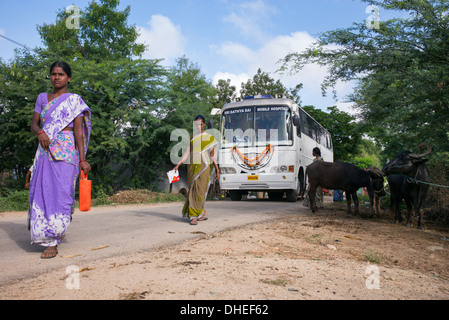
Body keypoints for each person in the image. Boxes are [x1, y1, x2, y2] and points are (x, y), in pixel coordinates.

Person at [27, 61, 92, 259]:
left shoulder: (74, 101)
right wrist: (40, 133)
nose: (56, 77)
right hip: (45, 150)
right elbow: (34, 125)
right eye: (53, 74)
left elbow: (79, 132)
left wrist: (82, 159)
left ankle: (55, 236)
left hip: (66, 151)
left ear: (68, 78)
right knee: (44, 192)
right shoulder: (41, 98)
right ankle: (47, 238)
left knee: (62, 194)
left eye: (61, 74)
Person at [173, 115, 219, 225]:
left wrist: (217, 168)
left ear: (204, 124)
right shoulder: (191, 137)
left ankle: (195, 215)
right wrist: (178, 164)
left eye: (200, 124)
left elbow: (212, 155)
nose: (198, 126)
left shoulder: (209, 137)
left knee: (201, 190)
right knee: (193, 189)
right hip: (192, 166)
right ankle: (197, 213)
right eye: (196, 124)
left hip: (204, 165)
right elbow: (186, 153)